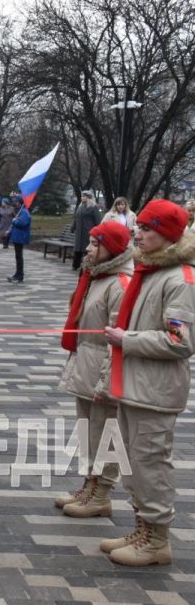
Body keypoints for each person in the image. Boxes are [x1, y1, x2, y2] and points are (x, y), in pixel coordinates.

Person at [98, 200, 195, 566]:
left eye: (147, 229)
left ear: (167, 236)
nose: (137, 234)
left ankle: (156, 540)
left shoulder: (181, 279)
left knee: (150, 463)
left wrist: (127, 339)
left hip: (155, 391)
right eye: (138, 227)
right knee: (133, 463)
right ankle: (143, 528)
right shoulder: (152, 270)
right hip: (135, 386)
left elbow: (180, 342)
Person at [57, 222, 133, 518]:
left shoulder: (119, 283)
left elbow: (117, 340)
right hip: (85, 365)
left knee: (106, 434)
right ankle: (89, 484)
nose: (87, 248)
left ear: (110, 248)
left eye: (93, 244)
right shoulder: (95, 277)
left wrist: (106, 381)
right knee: (89, 431)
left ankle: (101, 493)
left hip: (102, 372)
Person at [72, 190, 102, 270]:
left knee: (87, 248)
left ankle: (87, 265)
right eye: (82, 196)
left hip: (88, 231)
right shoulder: (80, 206)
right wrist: (73, 227)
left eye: (84, 196)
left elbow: (98, 221)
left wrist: (98, 231)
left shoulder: (94, 207)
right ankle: (75, 265)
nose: (82, 198)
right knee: (77, 249)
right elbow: (76, 218)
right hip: (79, 232)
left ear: (89, 198)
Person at [7, 195, 31, 283]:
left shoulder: (24, 212)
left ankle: (19, 275)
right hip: (18, 237)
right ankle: (17, 273)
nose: (15, 203)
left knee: (19, 256)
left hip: (20, 237)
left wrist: (14, 220)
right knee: (18, 256)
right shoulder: (21, 212)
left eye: (16, 202)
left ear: (20, 202)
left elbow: (22, 223)